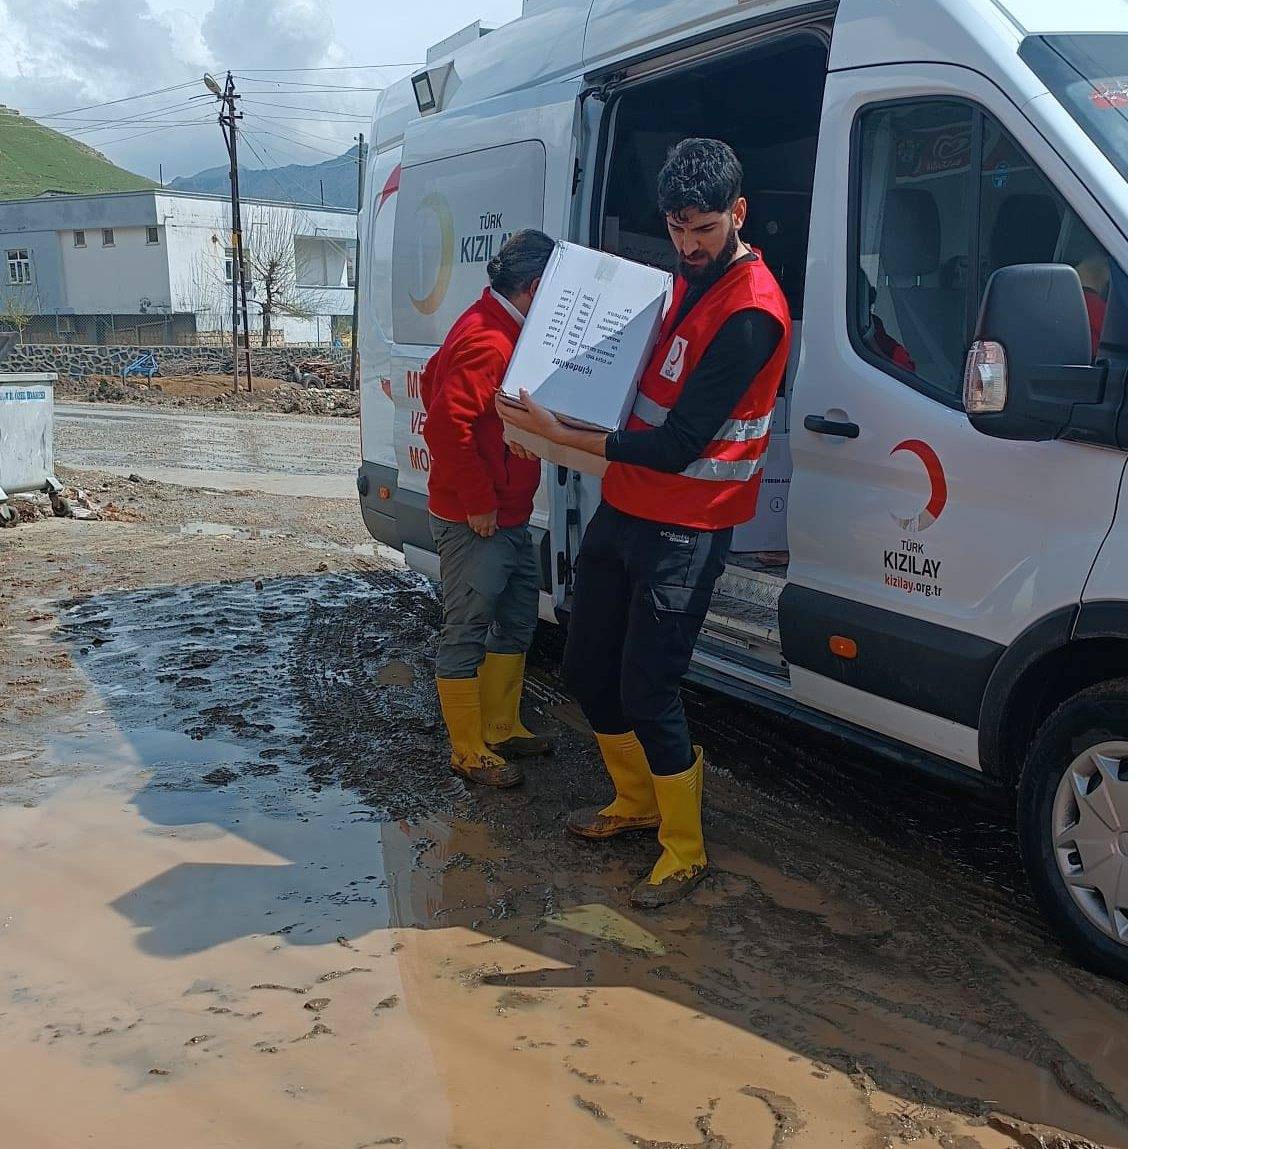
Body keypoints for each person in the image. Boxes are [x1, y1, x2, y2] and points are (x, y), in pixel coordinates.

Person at [500, 139, 792, 906]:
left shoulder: (752, 312)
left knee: (648, 689)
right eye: (677, 230)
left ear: (738, 213)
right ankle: (634, 801)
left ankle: (684, 848)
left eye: (703, 230)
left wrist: (560, 434)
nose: (689, 246)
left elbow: (678, 443)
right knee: (586, 669)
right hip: (625, 507)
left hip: (686, 529)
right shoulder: (676, 284)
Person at [424, 228, 556, 789]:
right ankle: (467, 749)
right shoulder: (490, 339)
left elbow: (435, 381)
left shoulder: (499, 328)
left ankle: (500, 726)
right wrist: (478, 501)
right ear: (532, 287)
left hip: (507, 512)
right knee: (468, 627)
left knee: (519, 617)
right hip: (477, 517)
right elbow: (443, 426)